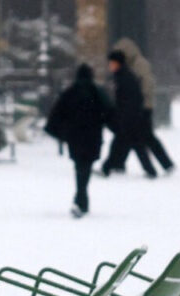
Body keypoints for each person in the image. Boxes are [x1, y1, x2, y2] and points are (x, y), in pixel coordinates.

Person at [46, 63, 111, 217]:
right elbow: (109, 112)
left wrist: (62, 135)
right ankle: (81, 199)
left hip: (75, 137)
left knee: (80, 167)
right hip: (93, 137)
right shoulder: (97, 92)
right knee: (85, 167)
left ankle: (80, 198)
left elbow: (55, 116)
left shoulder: (70, 93)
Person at [100, 49, 158, 179]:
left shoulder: (124, 78)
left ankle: (107, 168)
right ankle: (110, 167)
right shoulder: (124, 76)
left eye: (111, 63)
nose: (110, 65)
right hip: (130, 118)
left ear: (117, 63)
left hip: (129, 119)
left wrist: (124, 117)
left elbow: (130, 100)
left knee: (126, 145)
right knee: (134, 145)